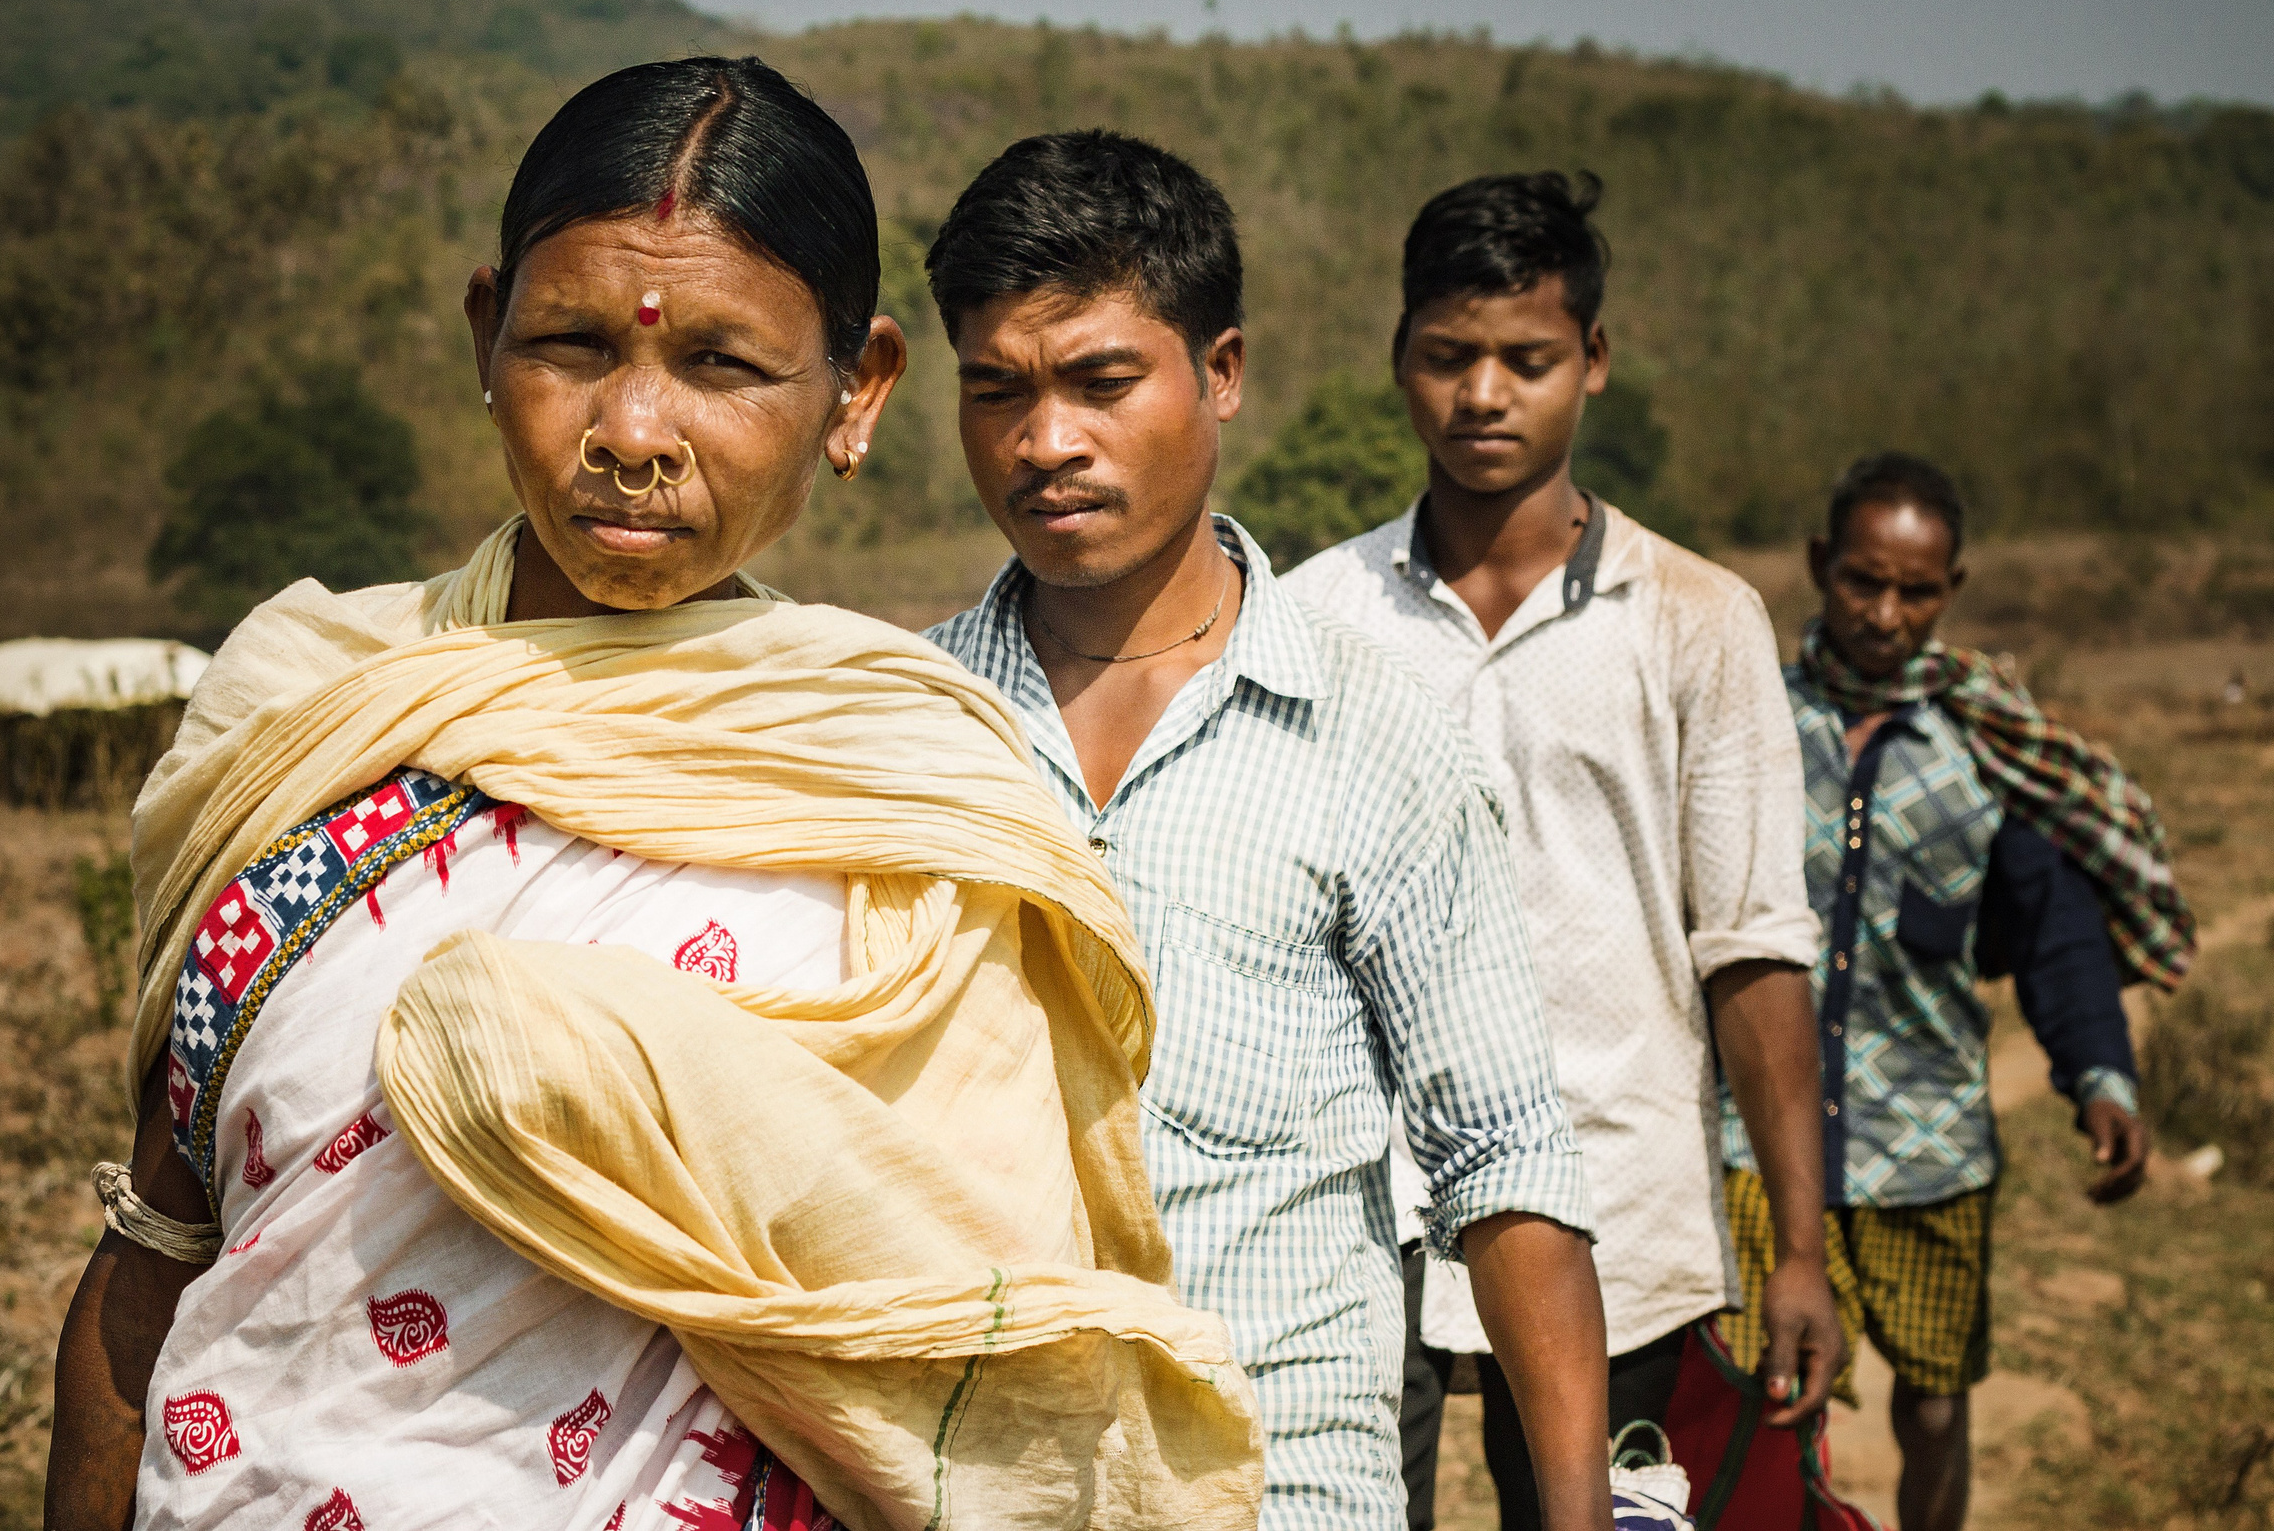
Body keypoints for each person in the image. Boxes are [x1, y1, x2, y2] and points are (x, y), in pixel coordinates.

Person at [45, 59, 1265, 1531]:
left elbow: (978, 1358)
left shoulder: (909, 794)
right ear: (486, 332)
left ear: (856, 390)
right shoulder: (312, 710)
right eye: (568, 342)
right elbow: (160, 1247)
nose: (631, 429)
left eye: (722, 365)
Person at [920, 131, 1615, 1531]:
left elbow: (1504, 1157)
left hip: (1282, 1482)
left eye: (1103, 382)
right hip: (969, 1485)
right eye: (997, 390)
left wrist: (1582, 1514)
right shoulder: (907, 727)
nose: (1045, 441)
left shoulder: (1374, 734)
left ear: (1219, 372)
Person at [1284, 171, 1847, 1529]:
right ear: (1399, 359)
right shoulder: (1311, 614)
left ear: (1592, 361)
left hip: (1623, 1208)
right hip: (1372, 1220)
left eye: (1526, 359)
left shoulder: (1698, 619)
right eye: (1448, 357)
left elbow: (1754, 948)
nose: (1485, 395)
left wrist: (1801, 1250)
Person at [1718, 450, 2188, 1531]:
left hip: (1927, 1137)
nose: (1884, 612)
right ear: (1817, 565)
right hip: (1752, 1140)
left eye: (1915, 590)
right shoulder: (1747, 720)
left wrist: (2100, 1078)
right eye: (1861, 581)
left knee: (1932, 1407)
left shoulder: (1987, 749)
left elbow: (2058, 936)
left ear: (1951, 591)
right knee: (1770, 1395)